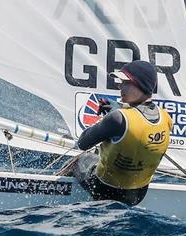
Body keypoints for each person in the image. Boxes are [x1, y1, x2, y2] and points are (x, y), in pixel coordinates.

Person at [68, 60, 173, 206]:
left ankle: (56, 190)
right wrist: (119, 107)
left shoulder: (116, 118)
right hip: (138, 195)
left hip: (104, 190)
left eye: (126, 82)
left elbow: (83, 143)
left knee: (81, 159)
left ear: (139, 84)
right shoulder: (166, 118)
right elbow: (139, 117)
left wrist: (104, 120)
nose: (120, 86)